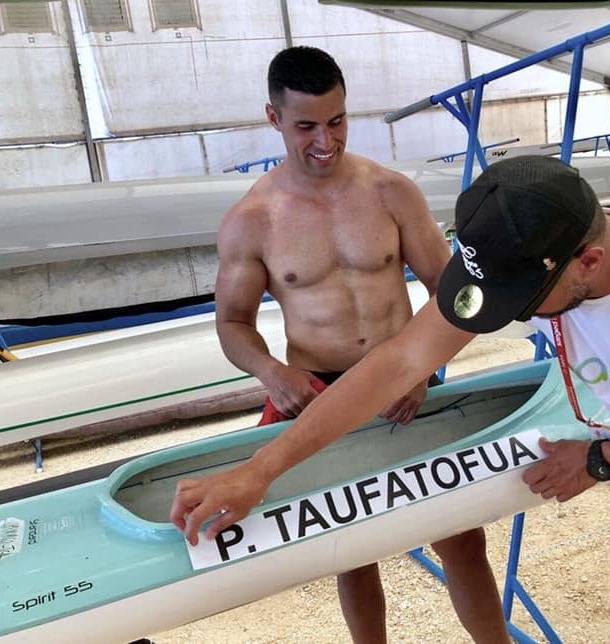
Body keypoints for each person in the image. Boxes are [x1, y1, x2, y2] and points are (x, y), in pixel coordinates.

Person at [172, 155, 610, 643]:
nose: (506, 314)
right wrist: (263, 468)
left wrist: (599, 462)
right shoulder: (531, 249)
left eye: (521, 303)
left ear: (587, 262)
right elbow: (398, 360)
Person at [204, 46, 509, 643]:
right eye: (307, 127)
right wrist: (272, 372)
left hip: (408, 385)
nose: (326, 141)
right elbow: (232, 324)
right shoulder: (253, 220)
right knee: (353, 547)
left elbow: (452, 294)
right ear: (273, 118)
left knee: (460, 536)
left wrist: (422, 366)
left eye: (337, 120)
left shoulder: (391, 193)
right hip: (318, 390)